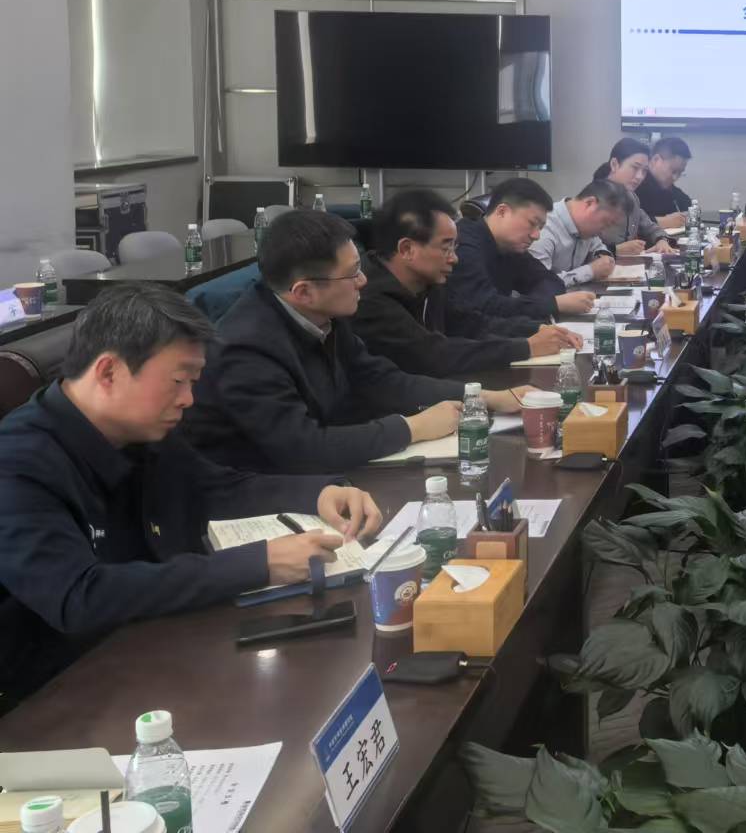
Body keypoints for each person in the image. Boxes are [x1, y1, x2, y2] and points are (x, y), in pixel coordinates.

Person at [0, 285, 384, 701]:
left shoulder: (142, 427)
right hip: (55, 692)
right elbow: (80, 598)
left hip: (154, 642)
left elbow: (217, 488)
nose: (188, 399)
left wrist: (319, 493)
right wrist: (260, 563)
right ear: (109, 372)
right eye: (178, 381)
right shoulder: (17, 462)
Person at [187, 211, 521, 473]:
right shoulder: (246, 350)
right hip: (255, 495)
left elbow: (381, 380)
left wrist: (484, 398)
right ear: (303, 291)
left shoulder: (325, 313)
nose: (363, 281)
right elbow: (303, 448)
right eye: (352, 273)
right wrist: (412, 428)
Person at [352, 189, 581, 379]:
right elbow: (433, 355)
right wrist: (527, 347)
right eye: (446, 248)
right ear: (406, 249)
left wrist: (536, 329)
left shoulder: (427, 284)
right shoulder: (368, 299)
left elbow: (471, 324)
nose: (454, 258)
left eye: (455, 247)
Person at [448, 177, 589, 322]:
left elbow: (550, 280)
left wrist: (539, 305)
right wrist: (551, 305)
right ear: (502, 212)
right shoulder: (462, 244)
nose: (536, 236)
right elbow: (483, 306)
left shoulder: (510, 247)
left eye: (540, 228)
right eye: (532, 223)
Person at [531, 181, 624, 298]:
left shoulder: (587, 227)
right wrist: (590, 271)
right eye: (605, 222)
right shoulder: (544, 228)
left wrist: (602, 256)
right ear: (589, 203)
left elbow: (597, 246)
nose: (604, 232)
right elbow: (539, 285)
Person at [593, 138, 671, 255]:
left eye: (644, 171)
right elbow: (582, 251)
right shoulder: (592, 200)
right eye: (635, 168)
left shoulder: (632, 198)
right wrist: (616, 249)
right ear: (614, 164)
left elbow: (651, 227)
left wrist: (662, 240)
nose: (640, 177)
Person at [635, 136, 694, 227]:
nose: (675, 177)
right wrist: (662, 222)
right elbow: (625, 221)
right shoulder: (635, 183)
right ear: (656, 160)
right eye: (673, 171)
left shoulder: (668, 188)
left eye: (680, 173)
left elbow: (688, 206)